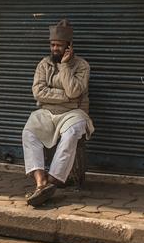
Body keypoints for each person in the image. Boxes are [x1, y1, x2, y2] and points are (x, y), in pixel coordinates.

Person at [22, 19, 94, 207]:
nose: (54, 49)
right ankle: (41, 183)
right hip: (47, 112)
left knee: (72, 133)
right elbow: (38, 92)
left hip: (75, 112)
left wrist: (64, 66)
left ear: (68, 47)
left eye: (59, 46)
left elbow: (74, 93)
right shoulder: (44, 64)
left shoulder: (82, 66)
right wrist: (66, 97)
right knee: (29, 131)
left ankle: (52, 181)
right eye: (52, 45)